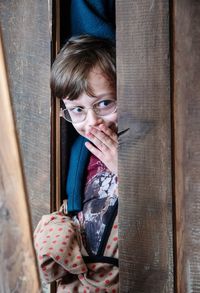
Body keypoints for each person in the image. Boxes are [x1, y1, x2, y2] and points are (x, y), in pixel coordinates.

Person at [34, 35, 118, 292]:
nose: (92, 121)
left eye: (104, 103)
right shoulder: (79, 156)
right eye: (78, 110)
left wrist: (126, 171)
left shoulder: (147, 148)